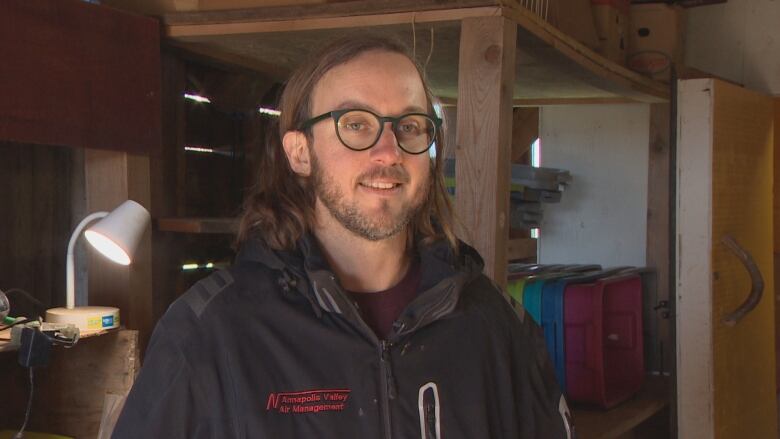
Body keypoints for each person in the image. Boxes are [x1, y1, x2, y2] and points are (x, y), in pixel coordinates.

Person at [112, 35, 573, 438]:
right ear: (299, 153)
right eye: (356, 124)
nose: (388, 151)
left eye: (410, 126)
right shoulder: (212, 332)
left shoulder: (496, 327)